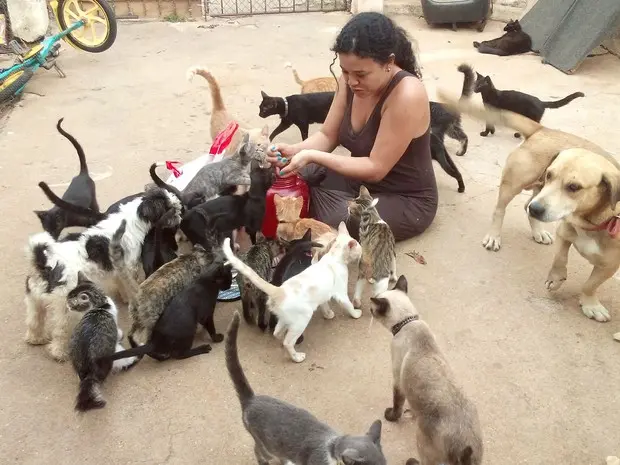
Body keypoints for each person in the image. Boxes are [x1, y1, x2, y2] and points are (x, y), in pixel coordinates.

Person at [266, 12, 438, 242]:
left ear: (389, 62)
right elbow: (328, 135)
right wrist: (295, 151)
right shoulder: (348, 82)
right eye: (345, 71)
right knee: (279, 176)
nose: (351, 81)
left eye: (361, 74)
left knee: (343, 218)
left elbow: (376, 168)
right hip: (356, 180)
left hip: (402, 196)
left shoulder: (407, 94)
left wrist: (312, 156)